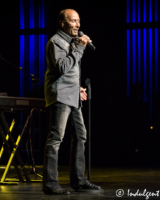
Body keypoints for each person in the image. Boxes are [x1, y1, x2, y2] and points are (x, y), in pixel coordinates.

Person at [43, 9, 101, 195]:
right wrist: (81, 48)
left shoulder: (71, 42)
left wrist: (78, 88)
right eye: (73, 21)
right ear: (62, 23)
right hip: (60, 96)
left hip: (72, 95)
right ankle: (50, 184)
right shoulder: (56, 42)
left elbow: (70, 72)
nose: (78, 25)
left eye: (78, 21)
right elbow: (62, 67)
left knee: (80, 135)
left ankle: (79, 181)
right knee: (56, 139)